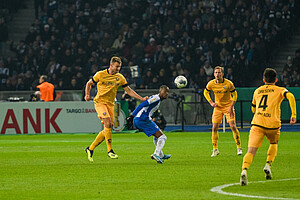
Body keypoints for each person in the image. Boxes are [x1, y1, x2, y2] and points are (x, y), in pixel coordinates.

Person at [84, 56, 148, 162]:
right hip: (99, 102)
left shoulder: (120, 78)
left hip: (110, 104)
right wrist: (87, 94)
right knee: (108, 123)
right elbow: (89, 83)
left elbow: (128, 90)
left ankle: (90, 149)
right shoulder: (100, 74)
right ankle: (110, 150)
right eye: (117, 66)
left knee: (107, 129)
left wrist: (141, 98)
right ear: (111, 65)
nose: (118, 69)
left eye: (120, 67)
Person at [240, 68, 297, 186]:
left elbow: (253, 109)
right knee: (273, 143)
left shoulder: (257, 91)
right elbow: (290, 96)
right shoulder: (279, 90)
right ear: (276, 79)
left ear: (263, 79)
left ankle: (244, 170)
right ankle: (268, 164)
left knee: (251, 151)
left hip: (257, 124)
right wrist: (293, 114)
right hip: (273, 125)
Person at [203, 66, 242, 157]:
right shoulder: (211, 83)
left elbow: (234, 95)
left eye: (219, 72)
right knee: (214, 128)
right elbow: (206, 92)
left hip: (228, 107)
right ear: (214, 74)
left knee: (232, 126)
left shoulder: (228, 83)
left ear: (222, 74)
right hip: (218, 107)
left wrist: (231, 107)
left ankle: (239, 147)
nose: (217, 74)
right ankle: (215, 149)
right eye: (216, 73)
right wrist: (211, 102)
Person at [126, 85, 170, 164]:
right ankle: (156, 154)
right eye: (165, 92)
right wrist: (132, 116)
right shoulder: (156, 98)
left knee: (157, 135)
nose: (166, 93)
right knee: (162, 137)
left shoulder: (157, 99)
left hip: (142, 119)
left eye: (167, 92)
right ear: (160, 92)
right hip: (142, 119)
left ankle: (161, 155)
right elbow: (142, 105)